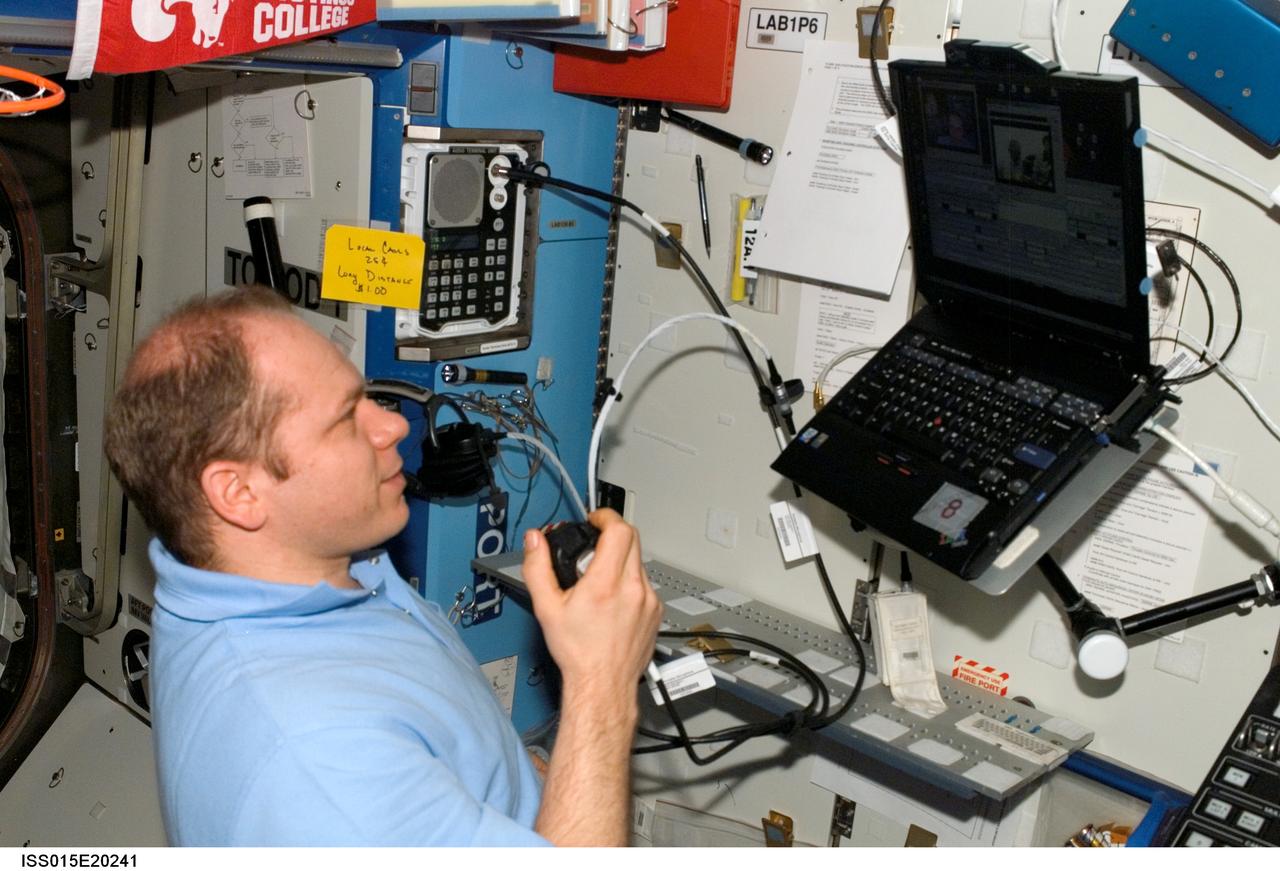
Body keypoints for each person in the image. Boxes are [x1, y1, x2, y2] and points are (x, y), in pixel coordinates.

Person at [103, 286, 662, 846]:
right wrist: (602, 684)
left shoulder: (312, 569)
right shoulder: (317, 762)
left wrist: (521, 783)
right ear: (239, 493)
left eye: (366, 395)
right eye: (345, 419)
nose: (393, 426)